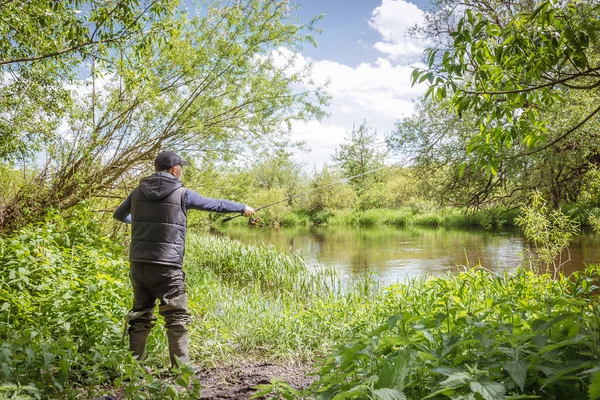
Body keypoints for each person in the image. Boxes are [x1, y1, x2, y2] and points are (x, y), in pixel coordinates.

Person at [113, 151, 255, 367]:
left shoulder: (137, 192)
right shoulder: (182, 193)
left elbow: (119, 215)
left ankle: (133, 368)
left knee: (140, 315)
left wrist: (143, 221)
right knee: (176, 316)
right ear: (174, 170)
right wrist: (242, 207)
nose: (182, 171)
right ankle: (181, 369)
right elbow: (214, 205)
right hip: (167, 266)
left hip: (139, 264)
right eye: (181, 167)